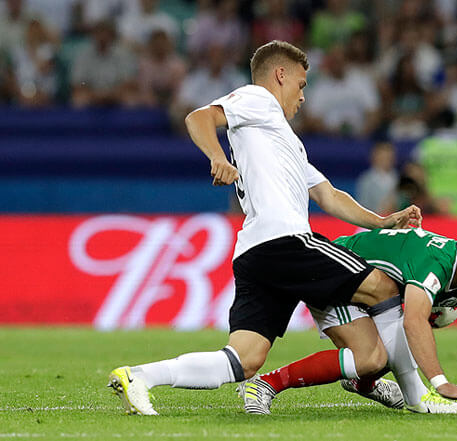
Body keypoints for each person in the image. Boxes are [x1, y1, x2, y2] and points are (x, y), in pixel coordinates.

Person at [107, 40, 422, 416]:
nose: (303, 97)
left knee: (244, 359)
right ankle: (420, 394)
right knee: (384, 287)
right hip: (286, 242)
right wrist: (217, 158)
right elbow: (198, 117)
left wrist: (382, 220)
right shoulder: (258, 100)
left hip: (255, 254)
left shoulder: (284, 140)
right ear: (280, 75)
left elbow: (329, 195)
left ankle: (139, 375)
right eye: (302, 85)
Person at [247, 225, 457, 414]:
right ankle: (265, 384)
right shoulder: (435, 261)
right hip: (335, 274)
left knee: (398, 330)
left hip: (373, 291)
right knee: (374, 352)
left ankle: (364, 382)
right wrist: (441, 384)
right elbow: (413, 322)